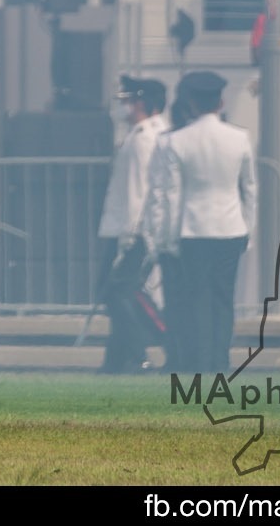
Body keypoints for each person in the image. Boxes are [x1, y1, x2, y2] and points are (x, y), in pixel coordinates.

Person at [142, 71, 255, 376]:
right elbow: (250, 188)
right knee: (223, 298)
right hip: (230, 228)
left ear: (190, 102)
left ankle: (198, 360)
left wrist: (164, 239)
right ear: (220, 101)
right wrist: (249, 229)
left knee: (195, 298)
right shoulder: (239, 138)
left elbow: (171, 195)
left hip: (192, 230)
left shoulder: (176, 141)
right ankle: (220, 360)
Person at [97, 76, 168, 374]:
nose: (125, 107)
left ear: (142, 103)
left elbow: (138, 193)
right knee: (115, 293)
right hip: (123, 227)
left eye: (129, 101)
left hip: (133, 230)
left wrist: (129, 238)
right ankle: (115, 361)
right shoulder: (142, 134)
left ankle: (155, 344)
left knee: (120, 292)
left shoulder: (144, 137)